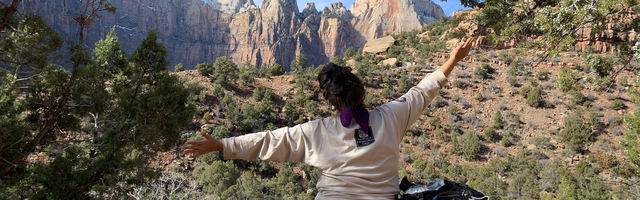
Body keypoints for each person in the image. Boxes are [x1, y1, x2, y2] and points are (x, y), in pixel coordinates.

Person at [183, 37, 475, 199]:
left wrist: (222, 144)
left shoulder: (317, 132)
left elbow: (269, 141)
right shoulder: (391, 117)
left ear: (332, 103)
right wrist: (452, 60)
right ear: (362, 94)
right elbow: (422, 91)